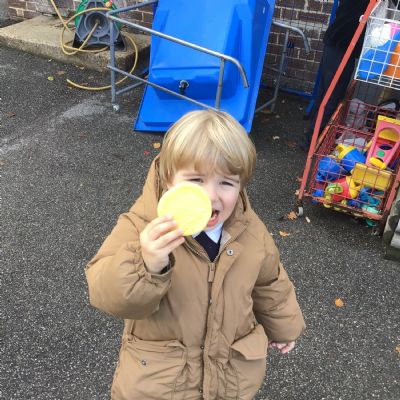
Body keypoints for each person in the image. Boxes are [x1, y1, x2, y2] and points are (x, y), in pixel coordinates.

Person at [85, 109, 305, 400]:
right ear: (168, 179)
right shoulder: (142, 226)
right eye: (196, 180)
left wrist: (284, 328)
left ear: (241, 185)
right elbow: (106, 293)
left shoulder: (250, 231)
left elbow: (270, 283)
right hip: (161, 384)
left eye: (226, 182)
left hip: (230, 377)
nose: (211, 196)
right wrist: (147, 263)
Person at [302, 0, 370, 150]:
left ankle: (313, 134)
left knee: (326, 93)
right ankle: (313, 139)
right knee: (331, 96)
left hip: (339, 43)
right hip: (342, 44)